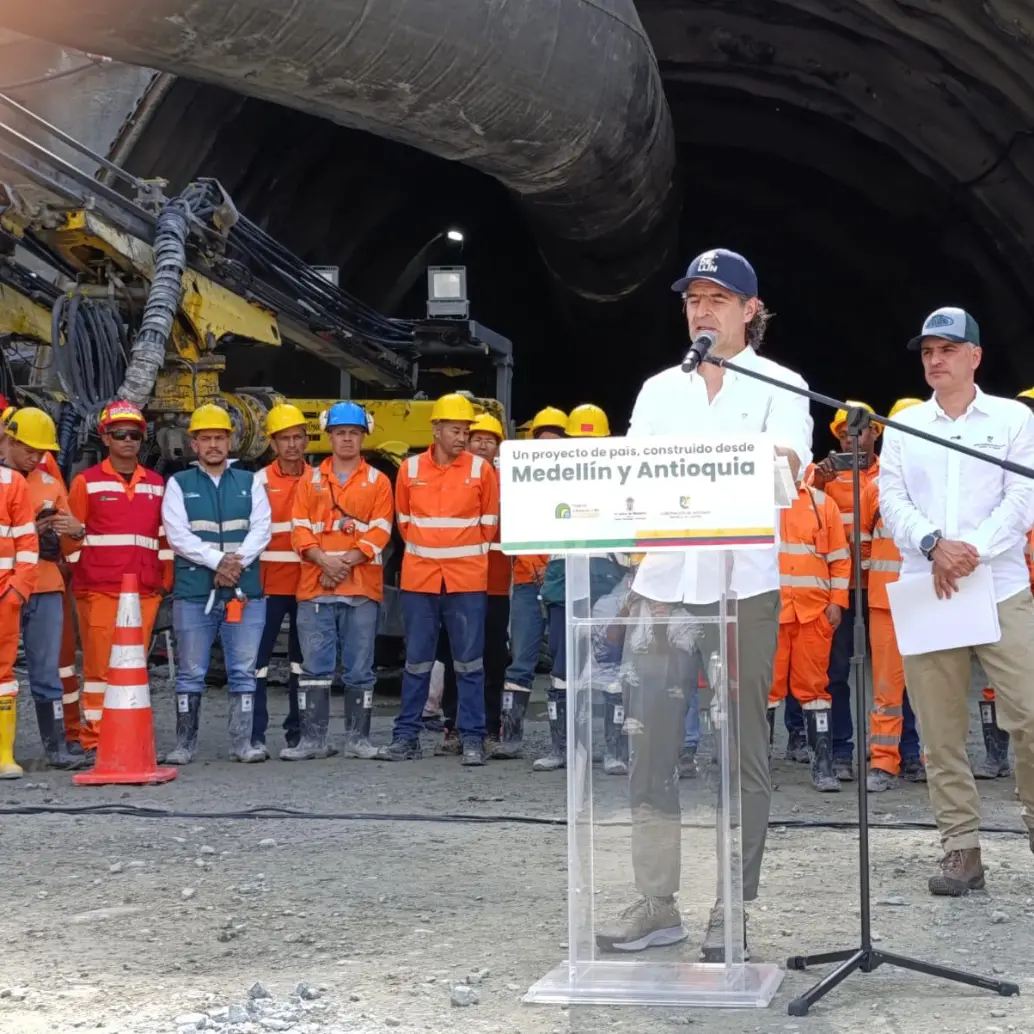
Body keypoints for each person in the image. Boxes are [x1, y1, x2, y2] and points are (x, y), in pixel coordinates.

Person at [596, 249, 812, 960]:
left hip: (740, 586)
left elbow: (790, 476)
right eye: (693, 298)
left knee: (739, 750)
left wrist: (742, 470)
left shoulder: (783, 386)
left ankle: (732, 907)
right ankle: (658, 901)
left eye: (718, 298)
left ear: (750, 310)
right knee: (649, 748)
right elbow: (631, 482)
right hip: (662, 588)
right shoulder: (661, 391)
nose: (702, 309)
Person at [880, 306, 1034, 896]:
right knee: (942, 732)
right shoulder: (906, 427)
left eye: (947, 350)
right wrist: (932, 544)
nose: (935, 360)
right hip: (930, 586)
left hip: (998, 587)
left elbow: (1021, 494)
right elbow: (891, 499)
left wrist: (970, 551)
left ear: (975, 356)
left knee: (1027, 715)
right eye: (926, 352)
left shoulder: (1013, 419)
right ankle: (961, 850)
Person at [378, 393, 499, 766]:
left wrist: (453, 552)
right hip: (422, 581)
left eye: (465, 431)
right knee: (416, 662)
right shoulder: (410, 470)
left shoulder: (482, 472)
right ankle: (406, 736)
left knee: (469, 663)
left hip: (465, 582)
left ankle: (472, 737)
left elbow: (488, 526)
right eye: (455, 430)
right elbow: (405, 524)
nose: (461, 438)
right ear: (436, 429)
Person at [161, 404, 271, 764]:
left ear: (230, 441)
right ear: (194, 444)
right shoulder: (178, 485)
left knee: (243, 671)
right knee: (191, 673)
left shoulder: (250, 482)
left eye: (219, 438)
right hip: (195, 594)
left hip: (245, 592)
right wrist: (219, 562)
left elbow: (261, 529)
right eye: (205, 438)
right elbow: (178, 536)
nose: (213, 444)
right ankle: (184, 746)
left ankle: (242, 744)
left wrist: (235, 563)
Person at [66, 401, 171, 765]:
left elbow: (164, 541)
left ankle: (127, 732)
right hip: (99, 589)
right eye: (120, 434)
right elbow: (70, 541)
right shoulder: (86, 483)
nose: (128, 440)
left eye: (134, 434)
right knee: (97, 670)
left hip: (143, 591)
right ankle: (95, 739)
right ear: (106, 438)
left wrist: (163, 583)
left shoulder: (157, 485)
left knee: (133, 667)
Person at [289, 401, 393, 760]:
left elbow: (381, 531)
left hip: (360, 587)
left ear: (363, 436)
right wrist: (324, 562)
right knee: (314, 668)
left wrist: (342, 564)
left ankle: (357, 741)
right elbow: (299, 529)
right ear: (329, 436)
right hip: (317, 587)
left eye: (353, 433)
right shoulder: (310, 479)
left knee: (360, 670)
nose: (347, 439)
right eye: (340, 433)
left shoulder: (379, 482)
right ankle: (313, 741)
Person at [533, 404, 627, 774]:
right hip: (563, 576)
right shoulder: (550, 482)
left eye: (594, 442)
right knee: (561, 663)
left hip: (607, 575)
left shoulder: (621, 482)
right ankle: (564, 750)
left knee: (611, 664)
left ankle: (615, 751)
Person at [4, 407, 86, 769]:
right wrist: (31, 535)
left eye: (40, 452)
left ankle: (57, 748)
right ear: (8, 440)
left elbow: (71, 546)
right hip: (7, 586)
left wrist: (75, 530)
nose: (35, 457)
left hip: (46, 584)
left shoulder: (51, 483)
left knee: (47, 670)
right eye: (29, 450)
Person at [766, 475, 850, 792]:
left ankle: (823, 767)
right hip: (770, 613)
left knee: (815, 689)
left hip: (813, 614)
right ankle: (759, 770)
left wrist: (837, 603)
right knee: (765, 689)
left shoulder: (821, 502)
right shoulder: (754, 500)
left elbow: (840, 559)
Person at [861, 396, 927, 792]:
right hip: (887, 603)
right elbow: (865, 546)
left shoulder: (938, 486)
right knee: (887, 688)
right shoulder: (875, 488)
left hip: (925, 599)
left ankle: (927, 761)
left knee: (929, 687)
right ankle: (884, 762)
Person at [494, 406, 566, 759]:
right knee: (520, 661)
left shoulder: (574, 482)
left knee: (563, 664)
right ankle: (511, 737)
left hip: (560, 583)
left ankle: (561, 744)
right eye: (542, 442)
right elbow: (514, 531)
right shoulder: (518, 483)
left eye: (555, 442)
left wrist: (549, 567)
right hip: (526, 581)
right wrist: (539, 566)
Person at [252, 403, 312, 757]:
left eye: (297, 437)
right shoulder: (259, 482)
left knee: (302, 665)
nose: (292, 444)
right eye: (284, 439)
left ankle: (299, 733)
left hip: (307, 587)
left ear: (306, 440)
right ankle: (256, 734)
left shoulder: (319, 479)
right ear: (272, 443)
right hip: (269, 586)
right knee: (258, 664)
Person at [0, 457, 38, 779]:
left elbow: (28, 541)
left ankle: (3, 755)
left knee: (2, 675)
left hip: (2, 594)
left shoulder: (12, 482)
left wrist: (18, 589)